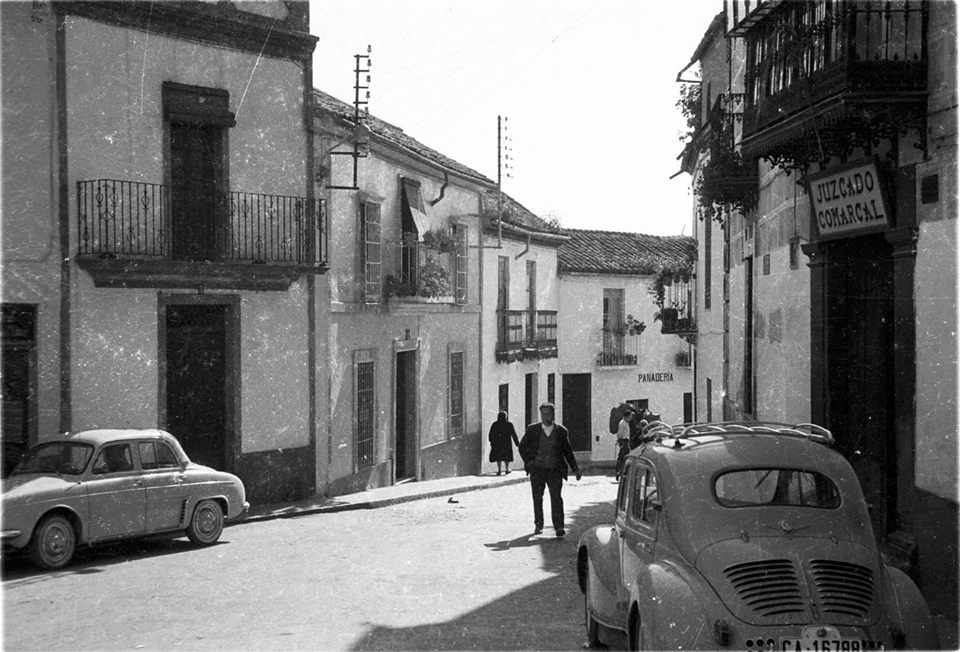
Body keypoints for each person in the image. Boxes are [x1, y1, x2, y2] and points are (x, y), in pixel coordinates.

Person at [518, 402, 581, 538]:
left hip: (555, 470)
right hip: (537, 470)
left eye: (548, 414)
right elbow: (522, 446)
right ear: (540, 414)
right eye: (543, 414)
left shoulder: (561, 431)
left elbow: (567, 451)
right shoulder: (532, 430)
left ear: (553, 414)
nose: (545, 417)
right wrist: (529, 462)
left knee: (556, 498)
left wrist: (575, 468)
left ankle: (559, 527)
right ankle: (538, 524)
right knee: (537, 498)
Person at [488, 411, 520, 475]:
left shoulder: (495, 424)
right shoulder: (509, 424)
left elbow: (491, 434)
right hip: (506, 443)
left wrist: (491, 441)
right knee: (507, 457)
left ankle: (499, 470)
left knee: (498, 457)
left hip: (498, 443)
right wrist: (517, 443)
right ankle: (507, 469)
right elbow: (513, 434)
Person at [615, 408, 634, 481]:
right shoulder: (622, 423)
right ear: (627, 416)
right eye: (630, 416)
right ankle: (618, 472)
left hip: (626, 441)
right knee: (623, 457)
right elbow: (619, 433)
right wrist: (619, 440)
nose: (631, 417)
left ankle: (621, 472)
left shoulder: (626, 423)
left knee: (624, 457)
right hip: (624, 441)